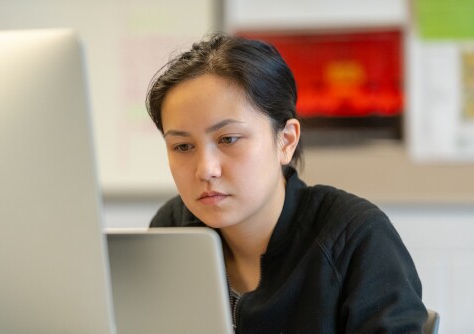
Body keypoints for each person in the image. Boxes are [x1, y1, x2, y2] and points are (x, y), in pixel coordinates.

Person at [146, 32, 427, 333]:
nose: (206, 170)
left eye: (228, 139)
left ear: (286, 141)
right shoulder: (172, 228)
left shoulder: (354, 236)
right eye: (183, 147)